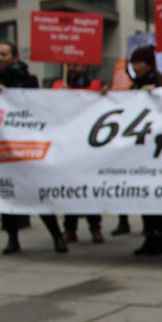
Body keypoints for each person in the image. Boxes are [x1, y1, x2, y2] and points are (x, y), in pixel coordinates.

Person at [0, 40, 67, 254]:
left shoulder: (29, 80)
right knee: (7, 194)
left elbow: (36, 105)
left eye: (4, 54)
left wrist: (10, 94)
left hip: (27, 146)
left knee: (37, 191)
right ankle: (12, 239)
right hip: (2, 149)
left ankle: (57, 236)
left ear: (15, 57)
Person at [52, 63, 105, 244]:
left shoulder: (95, 86)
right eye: (71, 65)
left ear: (85, 67)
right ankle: (70, 228)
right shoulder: (58, 86)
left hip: (90, 144)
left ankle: (95, 227)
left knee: (90, 188)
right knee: (70, 188)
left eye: (78, 65)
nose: (75, 69)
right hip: (68, 145)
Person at [128, 45, 162, 255]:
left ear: (149, 63)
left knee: (156, 192)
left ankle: (159, 235)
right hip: (140, 147)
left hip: (157, 147)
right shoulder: (134, 85)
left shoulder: (160, 82)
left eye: (139, 62)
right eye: (133, 62)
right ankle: (149, 235)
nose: (136, 66)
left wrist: (158, 94)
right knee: (144, 192)